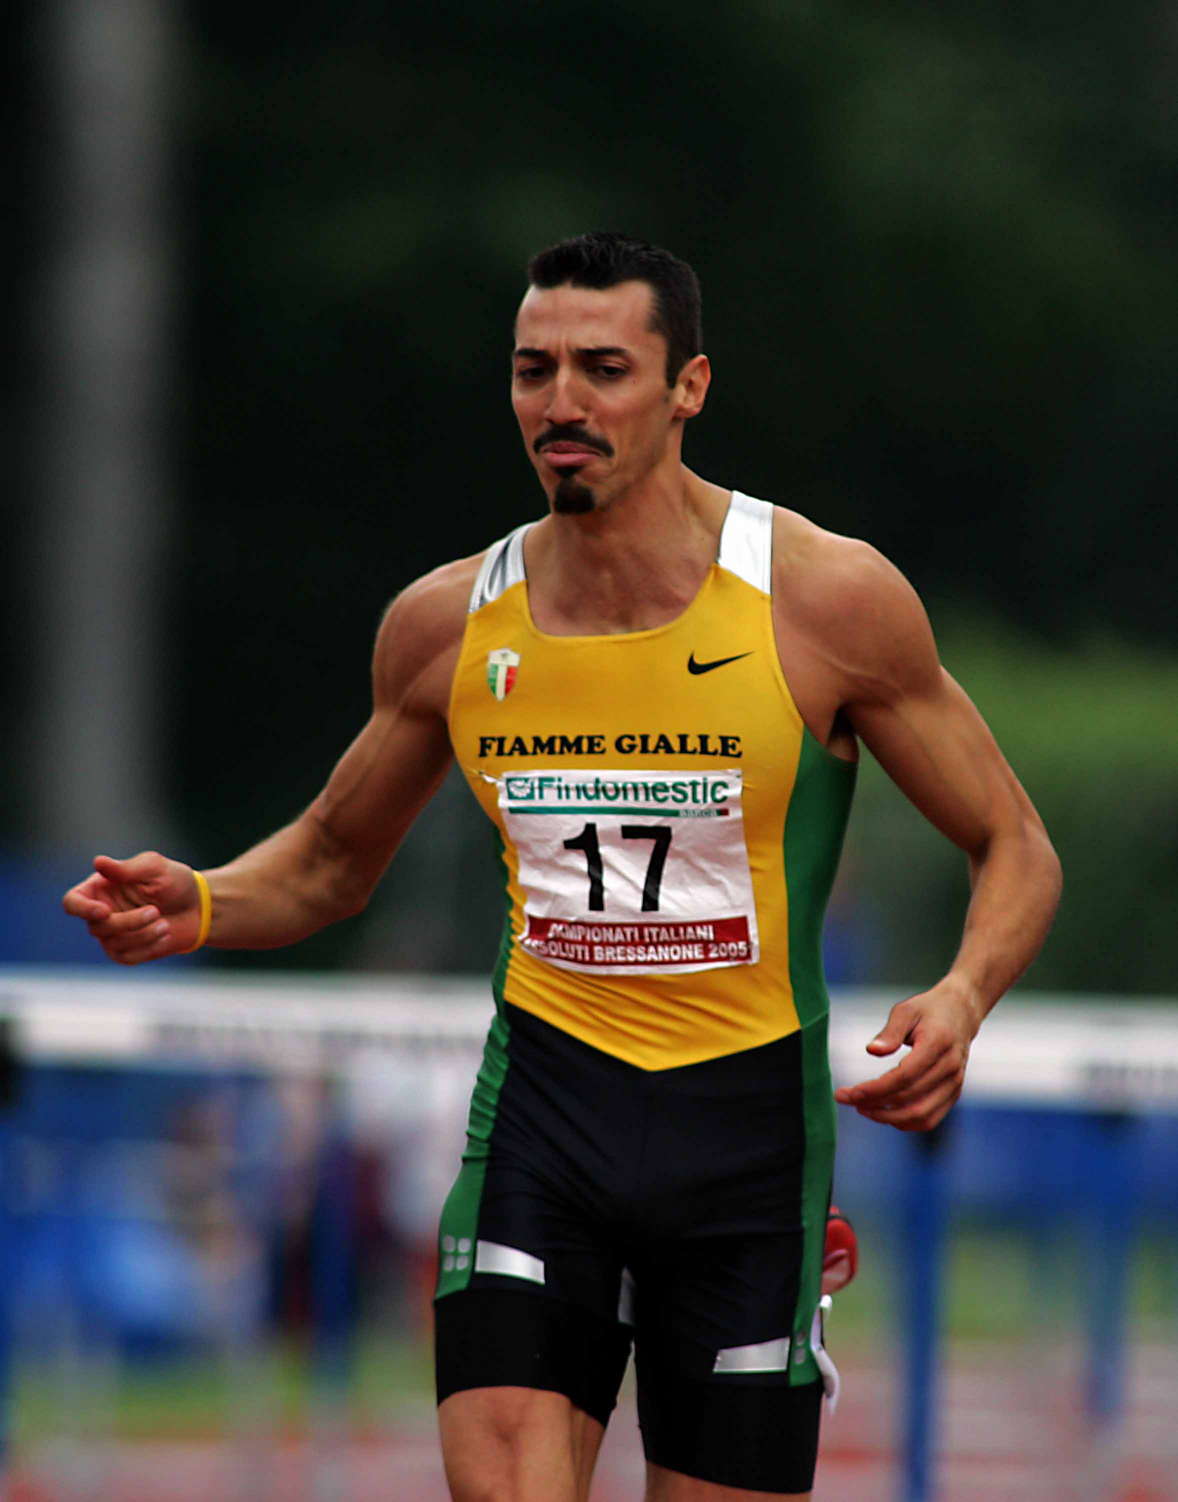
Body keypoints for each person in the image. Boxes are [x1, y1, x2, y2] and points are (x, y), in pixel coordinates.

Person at [63, 231, 1061, 1502]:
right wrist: (200, 901)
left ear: (687, 386)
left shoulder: (823, 599)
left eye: (603, 368)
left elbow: (1013, 843)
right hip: (543, 1122)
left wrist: (962, 995)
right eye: (533, 370)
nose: (562, 402)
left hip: (745, 1141)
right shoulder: (447, 623)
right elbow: (328, 860)